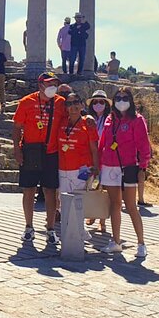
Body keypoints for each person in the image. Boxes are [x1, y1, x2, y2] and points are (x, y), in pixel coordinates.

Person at [13, 72, 67, 244]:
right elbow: (16, 127)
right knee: (29, 190)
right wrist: (16, 150)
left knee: (50, 192)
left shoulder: (61, 102)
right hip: (30, 151)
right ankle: (28, 227)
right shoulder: (26, 101)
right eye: (49, 83)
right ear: (40, 85)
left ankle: (50, 229)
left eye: (55, 83)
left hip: (51, 152)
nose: (53, 86)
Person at [98, 88, 150, 257]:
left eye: (125, 97)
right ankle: (116, 241)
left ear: (130, 100)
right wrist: (98, 164)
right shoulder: (109, 119)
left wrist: (143, 166)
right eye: (118, 98)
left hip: (128, 166)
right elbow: (103, 143)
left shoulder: (137, 119)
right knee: (115, 204)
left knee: (130, 205)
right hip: (109, 166)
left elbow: (143, 145)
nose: (121, 100)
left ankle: (141, 243)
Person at [57, 92, 99, 201]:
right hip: (63, 169)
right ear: (66, 107)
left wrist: (95, 168)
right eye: (69, 103)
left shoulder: (88, 124)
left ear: (82, 105)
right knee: (64, 203)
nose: (73, 106)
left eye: (76, 102)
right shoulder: (61, 122)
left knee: (79, 205)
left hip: (81, 170)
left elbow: (94, 149)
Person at [85, 89, 111, 231]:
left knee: (104, 189)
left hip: (106, 158)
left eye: (102, 102)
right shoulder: (88, 119)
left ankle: (102, 220)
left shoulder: (111, 119)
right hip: (91, 157)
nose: (99, 104)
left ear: (106, 104)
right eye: (96, 102)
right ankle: (92, 213)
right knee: (92, 186)